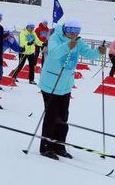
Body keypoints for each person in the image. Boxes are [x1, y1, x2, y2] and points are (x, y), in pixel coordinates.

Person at [37, 18, 106, 159]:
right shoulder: (55, 37)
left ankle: (59, 146)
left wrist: (99, 51)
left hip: (65, 85)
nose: (74, 34)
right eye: (71, 31)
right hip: (51, 84)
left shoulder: (78, 41)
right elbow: (54, 53)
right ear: (64, 29)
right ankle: (46, 147)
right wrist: (69, 45)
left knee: (63, 118)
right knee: (51, 116)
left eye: (77, 31)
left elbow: (88, 54)